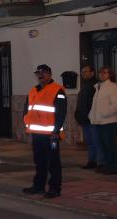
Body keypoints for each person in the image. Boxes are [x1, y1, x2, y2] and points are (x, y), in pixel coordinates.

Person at [22, 64, 67, 199]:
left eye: (43, 73)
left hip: (52, 136)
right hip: (37, 134)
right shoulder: (33, 90)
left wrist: (56, 131)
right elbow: (27, 108)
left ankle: (55, 188)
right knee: (39, 161)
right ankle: (38, 186)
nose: (40, 76)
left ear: (49, 74)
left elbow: (61, 113)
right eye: (38, 73)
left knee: (53, 162)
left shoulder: (57, 90)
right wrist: (26, 120)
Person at [89, 66, 117, 174]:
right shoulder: (98, 87)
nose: (102, 74)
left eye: (105, 73)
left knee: (109, 145)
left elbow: (115, 105)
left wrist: (105, 113)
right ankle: (106, 165)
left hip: (109, 121)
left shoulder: (113, 87)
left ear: (110, 74)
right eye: (100, 72)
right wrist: (91, 115)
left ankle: (113, 166)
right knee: (102, 145)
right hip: (98, 121)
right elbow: (96, 104)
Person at [74, 64, 101, 169]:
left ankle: (99, 162)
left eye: (86, 71)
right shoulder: (85, 85)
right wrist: (78, 113)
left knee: (96, 141)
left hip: (93, 119)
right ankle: (92, 161)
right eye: (82, 72)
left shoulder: (96, 86)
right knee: (89, 141)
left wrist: (89, 114)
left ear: (92, 73)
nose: (83, 73)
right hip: (84, 119)